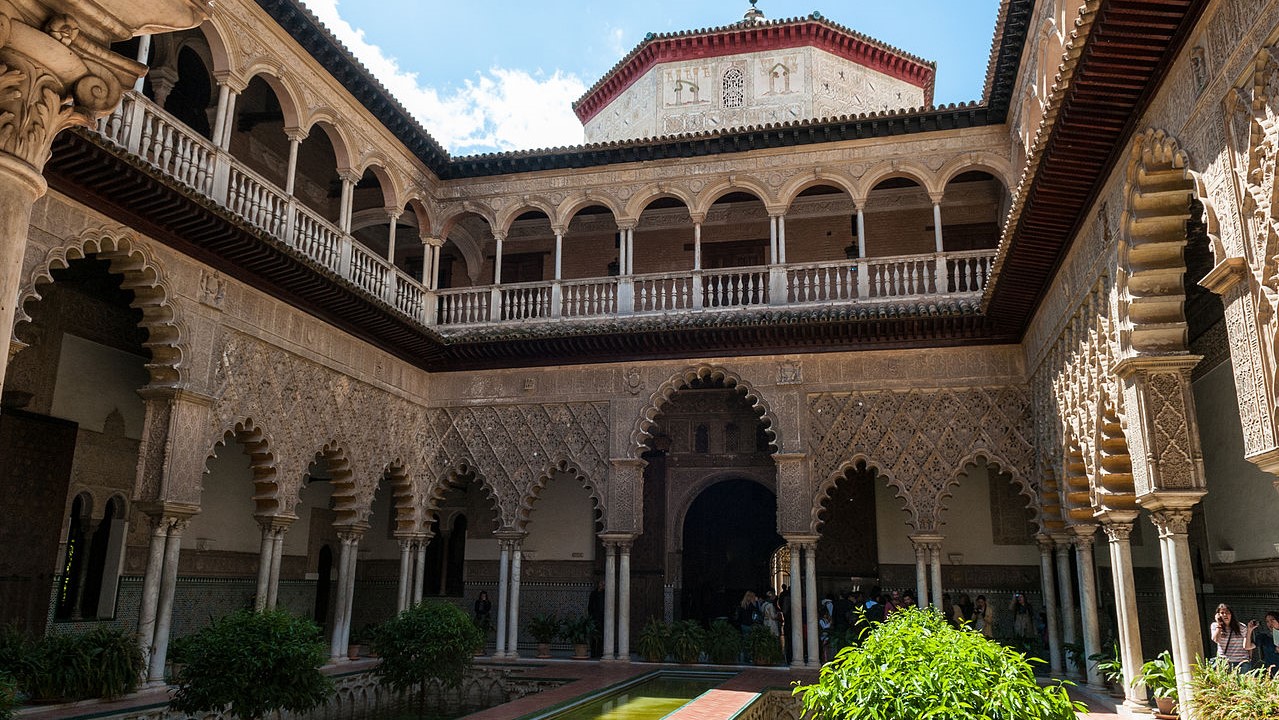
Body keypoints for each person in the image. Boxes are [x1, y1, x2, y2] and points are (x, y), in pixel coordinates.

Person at [1210, 603, 1255, 670]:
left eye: (1227, 612)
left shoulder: (1241, 627)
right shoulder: (1215, 626)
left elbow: (1248, 642)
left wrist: (1249, 658)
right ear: (1218, 615)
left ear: (1231, 614)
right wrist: (1219, 625)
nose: (1225, 615)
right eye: (1222, 613)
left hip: (1241, 661)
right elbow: (1216, 640)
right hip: (1224, 662)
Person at [1256, 611, 1279, 677]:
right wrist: (1250, 629)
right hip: (1271, 671)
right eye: (1267, 621)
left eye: (1272, 620)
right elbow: (1248, 647)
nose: (1270, 623)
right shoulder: (1265, 637)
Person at [587, 580, 605, 658]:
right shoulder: (593, 594)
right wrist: (591, 616)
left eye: (604, 584)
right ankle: (593, 653)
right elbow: (590, 606)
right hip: (595, 618)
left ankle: (600, 653)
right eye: (601, 583)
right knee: (594, 636)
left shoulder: (605, 594)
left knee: (601, 636)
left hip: (603, 618)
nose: (602, 585)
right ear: (598, 584)